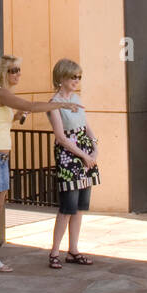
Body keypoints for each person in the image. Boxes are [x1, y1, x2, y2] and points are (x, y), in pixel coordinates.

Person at [0, 55, 80, 276]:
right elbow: (31, 105)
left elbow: (3, 120)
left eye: (19, 70)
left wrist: (16, 115)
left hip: (0, 160)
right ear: (2, 72)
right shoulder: (0, 92)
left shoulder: (4, 96)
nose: (18, 74)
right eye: (13, 70)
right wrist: (63, 103)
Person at [46, 58, 99, 269]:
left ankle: (73, 249)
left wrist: (94, 148)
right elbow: (60, 136)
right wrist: (84, 155)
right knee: (67, 207)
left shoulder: (77, 99)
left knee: (80, 207)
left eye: (79, 77)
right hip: (68, 157)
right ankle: (54, 251)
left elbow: (86, 126)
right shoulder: (53, 104)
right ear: (61, 78)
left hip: (85, 153)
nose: (77, 80)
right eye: (73, 77)